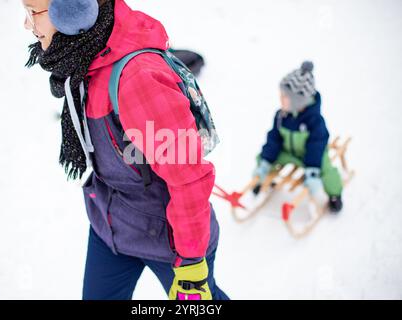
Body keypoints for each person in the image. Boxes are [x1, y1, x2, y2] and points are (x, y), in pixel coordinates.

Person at [22, 0, 228, 300]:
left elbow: (188, 178)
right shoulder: (85, 59)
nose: (27, 25)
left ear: (72, 12)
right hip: (111, 224)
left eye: (32, 12)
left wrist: (191, 267)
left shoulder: (137, 78)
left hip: (171, 241)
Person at [253, 61, 343, 212]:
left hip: (310, 156)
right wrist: (266, 161)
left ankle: (335, 194)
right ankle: (262, 180)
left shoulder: (315, 121)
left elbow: (316, 145)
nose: (280, 99)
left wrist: (313, 170)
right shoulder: (281, 115)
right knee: (262, 157)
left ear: (297, 100)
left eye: (284, 97)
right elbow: (274, 138)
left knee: (327, 169)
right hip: (288, 152)